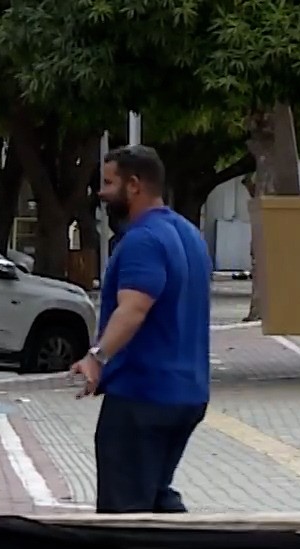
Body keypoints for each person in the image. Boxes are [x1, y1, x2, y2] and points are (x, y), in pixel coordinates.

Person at [70, 145, 212, 514]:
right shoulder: (190, 235)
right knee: (155, 497)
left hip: (143, 396)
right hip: (188, 394)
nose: (100, 193)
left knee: (125, 513)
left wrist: (96, 357)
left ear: (133, 185)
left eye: (107, 183)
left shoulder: (142, 240)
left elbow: (134, 309)